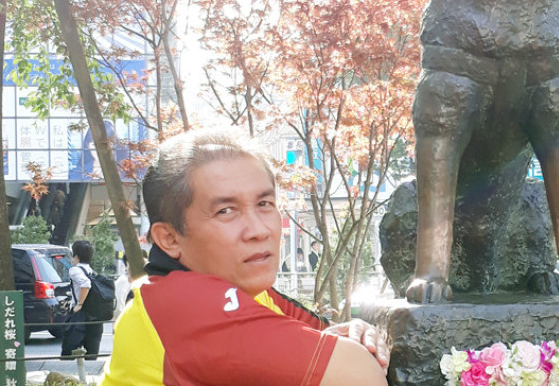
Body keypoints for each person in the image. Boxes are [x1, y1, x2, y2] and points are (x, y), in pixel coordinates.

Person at [102, 128, 388, 385]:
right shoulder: (183, 304)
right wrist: (357, 352)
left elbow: (335, 341)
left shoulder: (252, 292)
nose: (259, 230)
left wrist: (358, 332)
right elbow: (360, 375)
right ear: (169, 238)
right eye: (226, 211)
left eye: (264, 203)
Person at [61, 240, 103, 361]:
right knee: (91, 355)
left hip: (79, 316)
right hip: (94, 316)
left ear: (76, 256)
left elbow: (86, 284)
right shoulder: (92, 272)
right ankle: (88, 378)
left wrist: (79, 304)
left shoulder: (74, 270)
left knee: (68, 352)